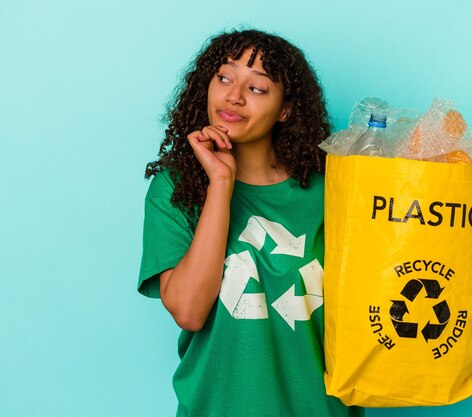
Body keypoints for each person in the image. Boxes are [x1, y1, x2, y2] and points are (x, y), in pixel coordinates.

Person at [138, 29, 364, 417]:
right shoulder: (176, 188)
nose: (233, 96)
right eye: (224, 78)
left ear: (286, 109)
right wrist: (220, 185)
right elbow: (189, 311)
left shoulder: (334, 188)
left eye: (257, 88)